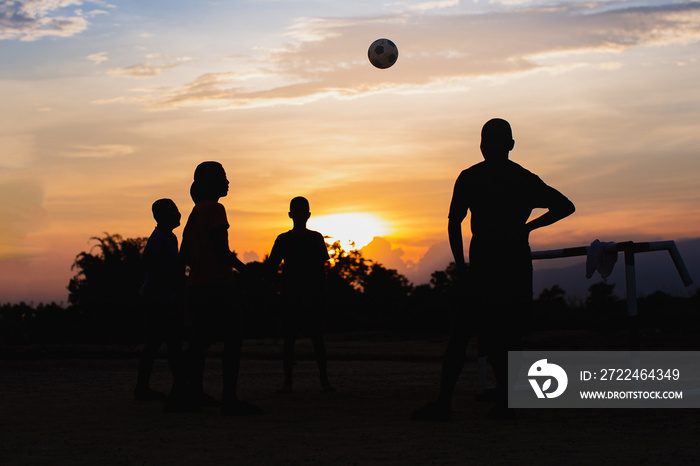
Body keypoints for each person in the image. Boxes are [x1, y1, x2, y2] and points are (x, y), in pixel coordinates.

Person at [412, 118, 575, 420]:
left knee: (464, 334)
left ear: (483, 145)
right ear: (510, 145)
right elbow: (565, 206)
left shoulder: (472, 177)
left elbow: (453, 222)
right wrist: (527, 228)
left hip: (485, 266)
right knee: (505, 335)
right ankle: (506, 402)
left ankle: (449, 402)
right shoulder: (523, 179)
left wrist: (461, 267)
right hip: (512, 264)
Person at [179, 161, 262, 415]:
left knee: (200, 343)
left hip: (197, 286)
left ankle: (193, 394)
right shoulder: (216, 209)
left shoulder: (194, 213)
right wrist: (242, 268)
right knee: (233, 339)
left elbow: (184, 255)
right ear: (209, 182)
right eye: (223, 176)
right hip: (217, 286)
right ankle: (229, 399)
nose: (228, 181)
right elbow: (219, 247)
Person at [268, 197, 334, 393]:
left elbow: (323, 271)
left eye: (301, 210)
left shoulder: (315, 238)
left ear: (308, 214)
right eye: (296, 210)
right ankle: (289, 383)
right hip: (291, 297)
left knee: (317, 341)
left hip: (311, 297)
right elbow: (272, 267)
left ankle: (323, 381)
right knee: (290, 341)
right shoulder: (284, 239)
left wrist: (322, 295)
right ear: (290, 214)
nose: (298, 214)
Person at [135, 198, 185, 402]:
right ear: (162, 216)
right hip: (157, 299)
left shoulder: (170, 238)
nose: (178, 214)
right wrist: (167, 285)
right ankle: (146, 388)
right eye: (173, 211)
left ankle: (172, 386)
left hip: (162, 297)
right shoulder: (158, 239)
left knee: (165, 343)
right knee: (161, 343)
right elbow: (148, 262)